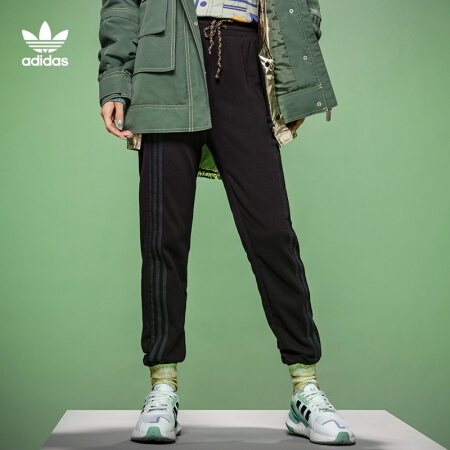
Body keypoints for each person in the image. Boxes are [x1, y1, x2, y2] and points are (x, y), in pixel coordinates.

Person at [98, 0, 355, 445]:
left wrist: (295, 75)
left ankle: (305, 388)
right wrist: (116, 79)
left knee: (273, 234)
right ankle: (162, 387)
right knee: (162, 236)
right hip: (164, 63)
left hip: (245, 57)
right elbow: (122, 5)